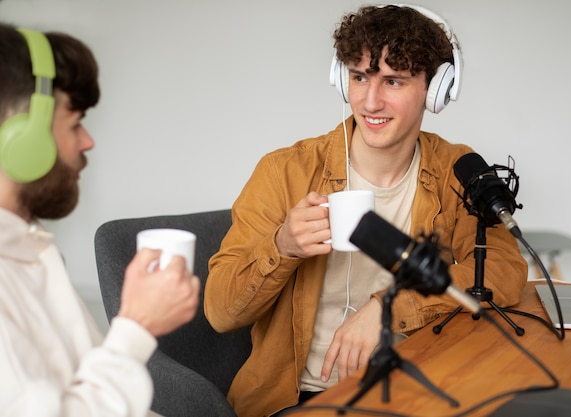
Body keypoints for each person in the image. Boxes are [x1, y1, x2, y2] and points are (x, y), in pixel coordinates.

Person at [204, 4, 528, 417]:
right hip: (306, 396)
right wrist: (283, 247)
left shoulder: (455, 170)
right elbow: (220, 312)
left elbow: (505, 268)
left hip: (416, 386)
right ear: (343, 81)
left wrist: (389, 308)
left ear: (435, 89)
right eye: (359, 77)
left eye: (393, 81)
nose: (371, 101)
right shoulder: (284, 171)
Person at [0, 24, 200, 416]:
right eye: (75, 123)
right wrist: (136, 327)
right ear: (23, 142)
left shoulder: (28, 248)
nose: (88, 140)